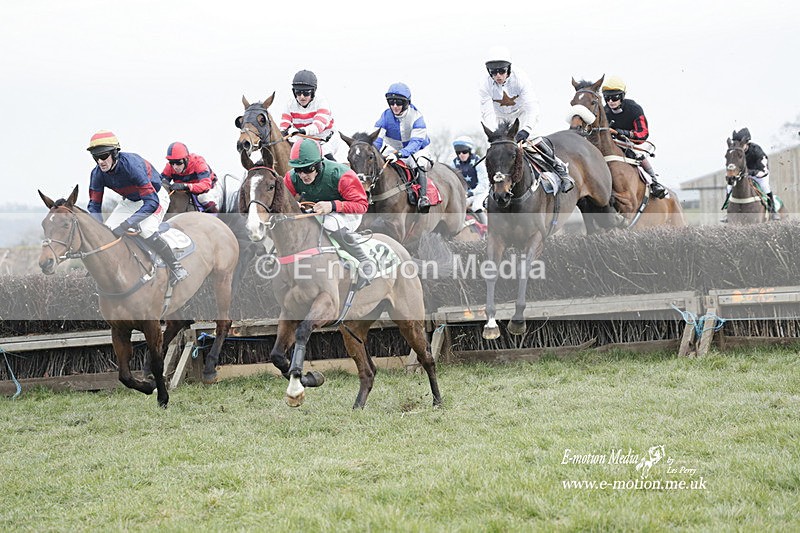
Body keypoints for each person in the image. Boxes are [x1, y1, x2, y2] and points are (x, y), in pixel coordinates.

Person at [86, 130, 188, 282]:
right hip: (131, 201)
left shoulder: (132, 166)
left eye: (103, 156)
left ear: (114, 153)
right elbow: (94, 207)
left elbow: (151, 202)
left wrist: (128, 224)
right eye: (96, 157)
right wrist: (99, 229)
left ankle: (176, 266)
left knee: (146, 230)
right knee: (107, 232)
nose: (100, 161)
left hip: (155, 197)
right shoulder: (97, 174)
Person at [479, 46, 574, 192]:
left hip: (522, 115)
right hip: (501, 119)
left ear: (508, 69)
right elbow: (487, 113)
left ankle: (561, 170)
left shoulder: (520, 78)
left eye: (502, 71)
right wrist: (494, 134)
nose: (498, 76)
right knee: (497, 151)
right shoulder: (485, 85)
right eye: (494, 72)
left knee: (534, 141)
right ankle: (488, 189)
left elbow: (532, 106)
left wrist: (526, 129)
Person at [283, 138, 376, 288]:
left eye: (308, 169)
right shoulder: (291, 177)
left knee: (330, 221)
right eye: (298, 170)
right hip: (317, 212)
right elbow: (283, 201)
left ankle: (365, 261)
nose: (303, 175)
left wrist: (333, 205)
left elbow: (362, 205)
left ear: (319, 164)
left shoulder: (342, 175)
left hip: (348, 213)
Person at [601, 75, 667, 199]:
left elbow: (642, 134)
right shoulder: (605, 111)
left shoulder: (634, 109)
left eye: (614, 97)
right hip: (614, 142)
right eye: (607, 98)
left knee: (637, 154)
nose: (610, 101)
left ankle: (655, 183)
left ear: (622, 96)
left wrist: (618, 132)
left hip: (636, 142)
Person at [373, 82, 433, 211]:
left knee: (419, 163)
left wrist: (399, 154)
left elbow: (415, 144)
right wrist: (373, 151)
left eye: (399, 103)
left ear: (407, 102)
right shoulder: (385, 116)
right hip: (394, 148)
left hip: (417, 150)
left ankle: (423, 197)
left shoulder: (417, 117)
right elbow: (378, 139)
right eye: (391, 102)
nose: (395, 106)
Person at [279, 70, 344, 161]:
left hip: (325, 139)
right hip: (303, 139)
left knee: (323, 156)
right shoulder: (290, 103)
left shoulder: (321, 101)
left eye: (306, 93)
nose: (301, 97)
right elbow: (284, 123)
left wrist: (303, 131)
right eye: (298, 92)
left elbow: (318, 126)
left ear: (313, 92)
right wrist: (283, 132)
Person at [725, 127, 780, 221]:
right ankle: (728, 212)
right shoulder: (735, 152)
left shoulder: (756, 150)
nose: (737, 145)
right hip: (742, 175)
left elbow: (764, 170)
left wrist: (750, 173)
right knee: (729, 187)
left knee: (765, 187)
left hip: (758, 174)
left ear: (746, 142)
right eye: (735, 143)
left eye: (739, 143)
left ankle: (773, 212)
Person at [161, 142, 221, 213]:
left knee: (204, 198)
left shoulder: (198, 162)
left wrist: (186, 186)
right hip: (187, 190)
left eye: (178, 163)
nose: (175, 167)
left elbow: (206, 185)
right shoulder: (169, 167)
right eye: (172, 162)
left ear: (186, 159)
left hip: (209, 188)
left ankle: (218, 218)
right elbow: (161, 184)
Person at [451, 135, 488, 224]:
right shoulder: (454, 163)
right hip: (466, 194)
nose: (461, 155)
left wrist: (471, 193)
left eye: (464, 152)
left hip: (481, 192)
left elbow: (484, 184)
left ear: (470, 151)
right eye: (458, 152)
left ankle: (487, 230)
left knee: (476, 206)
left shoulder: (477, 161)